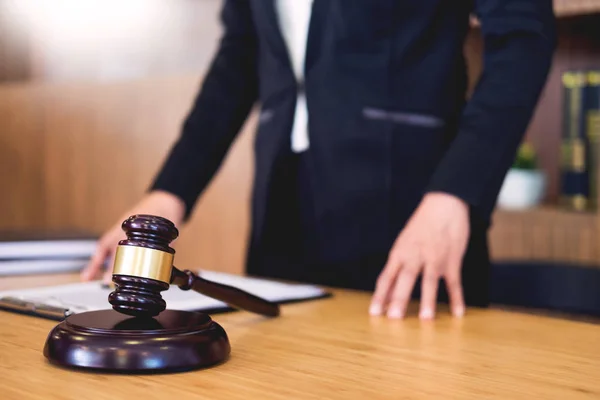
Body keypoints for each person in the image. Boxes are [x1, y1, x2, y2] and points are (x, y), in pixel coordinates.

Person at [81, 0, 556, 320]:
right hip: (284, 202)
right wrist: (169, 191)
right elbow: (241, 56)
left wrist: (456, 192)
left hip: (415, 207)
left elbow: (523, 37)